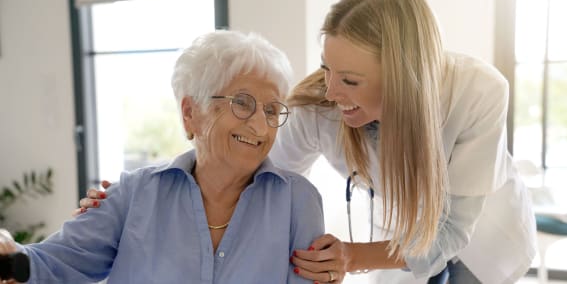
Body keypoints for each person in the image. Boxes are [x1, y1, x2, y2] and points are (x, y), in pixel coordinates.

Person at [78, 0, 538, 283]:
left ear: (403, 77)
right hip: (406, 237)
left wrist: (352, 257)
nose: (332, 91)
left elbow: (453, 230)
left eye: (351, 81)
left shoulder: (478, 91)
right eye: (327, 69)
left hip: (483, 239)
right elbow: (243, 166)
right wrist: (140, 193)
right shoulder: (320, 106)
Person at [0, 30, 325, 283]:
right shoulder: (132, 195)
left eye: (271, 110)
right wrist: (8, 251)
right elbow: (51, 265)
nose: (259, 125)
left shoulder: (298, 202)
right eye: (242, 103)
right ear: (190, 113)